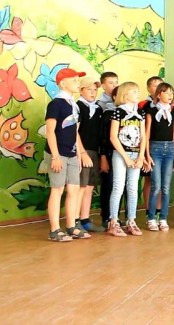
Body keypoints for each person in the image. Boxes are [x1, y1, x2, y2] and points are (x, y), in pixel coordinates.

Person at [45, 68, 93, 241]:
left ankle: (71, 225)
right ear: (63, 83)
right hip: (58, 153)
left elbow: (74, 132)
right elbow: (50, 131)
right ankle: (54, 230)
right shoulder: (56, 104)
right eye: (74, 80)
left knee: (73, 189)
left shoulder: (73, 105)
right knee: (57, 189)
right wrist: (55, 156)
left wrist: (80, 154)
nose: (77, 83)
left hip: (72, 154)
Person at [107, 81, 147, 237]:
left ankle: (131, 220)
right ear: (125, 94)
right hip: (121, 154)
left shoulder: (140, 113)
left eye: (138, 91)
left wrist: (141, 156)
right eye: (134, 91)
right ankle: (114, 221)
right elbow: (113, 136)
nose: (138, 94)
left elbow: (143, 136)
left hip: (135, 154)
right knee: (118, 186)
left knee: (133, 188)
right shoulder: (118, 112)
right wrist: (125, 157)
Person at [144, 82, 174, 232]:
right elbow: (147, 134)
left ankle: (163, 218)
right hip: (155, 148)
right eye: (166, 92)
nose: (170, 95)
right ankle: (151, 218)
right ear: (159, 94)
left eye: (171, 92)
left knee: (166, 187)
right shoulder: (151, 110)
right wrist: (147, 154)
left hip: (169, 149)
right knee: (156, 186)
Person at [76, 77, 105, 233]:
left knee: (89, 186)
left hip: (94, 151)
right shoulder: (77, 107)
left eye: (95, 90)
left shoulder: (98, 109)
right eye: (89, 89)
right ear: (81, 90)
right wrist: (81, 153)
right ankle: (74, 221)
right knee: (80, 186)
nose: (93, 93)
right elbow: (75, 132)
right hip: (82, 151)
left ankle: (85, 219)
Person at [96, 72, 118, 226]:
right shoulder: (100, 106)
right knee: (108, 184)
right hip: (104, 150)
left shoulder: (122, 106)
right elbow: (102, 134)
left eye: (116, 82)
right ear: (103, 86)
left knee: (118, 185)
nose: (114, 85)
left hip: (119, 152)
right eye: (111, 82)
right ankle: (106, 216)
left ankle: (114, 216)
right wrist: (102, 155)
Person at [140, 76, 162, 212]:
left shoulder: (168, 105)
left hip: (164, 147)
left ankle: (158, 209)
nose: (158, 88)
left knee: (160, 180)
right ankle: (149, 209)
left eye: (161, 85)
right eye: (155, 85)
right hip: (148, 145)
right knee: (149, 179)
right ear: (148, 88)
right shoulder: (143, 105)